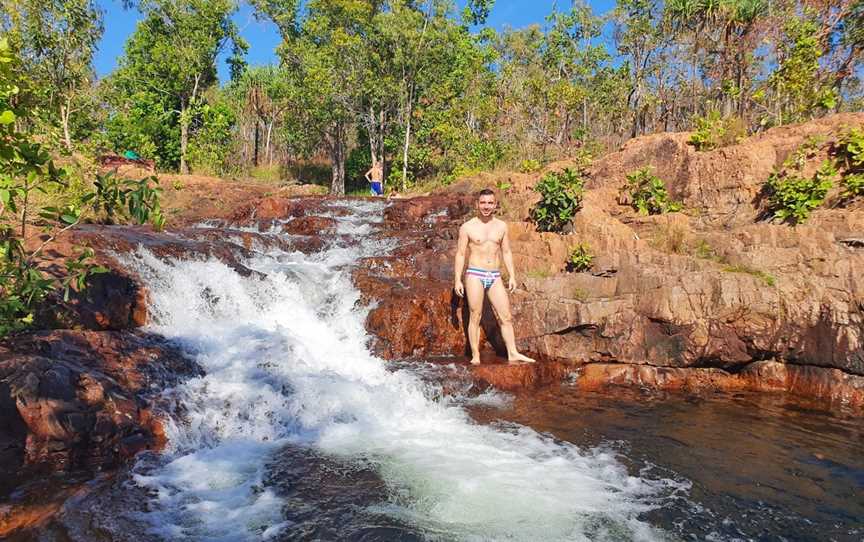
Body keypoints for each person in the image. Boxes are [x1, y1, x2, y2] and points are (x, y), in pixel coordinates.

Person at [453, 189, 535, 365]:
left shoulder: (501, 226)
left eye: (490, 203)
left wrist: (512, 275)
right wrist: (457, 280)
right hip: (475, 273)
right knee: (475, 315)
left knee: (506, 316)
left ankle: (512, 352)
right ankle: (475, 355)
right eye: (483, 203)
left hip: (495, 275)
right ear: (477, 204)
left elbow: (506, 251)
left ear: (495, 204)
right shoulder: (467, 227)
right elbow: (460, 254)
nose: (486, 206)